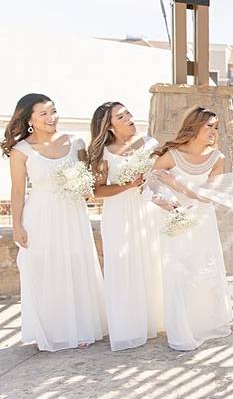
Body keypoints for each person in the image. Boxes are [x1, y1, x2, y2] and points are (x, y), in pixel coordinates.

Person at [3, 93, 106, 351]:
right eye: (44, 114)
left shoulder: (76, 142)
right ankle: (52, 330)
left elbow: (89, 180)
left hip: (72, 213)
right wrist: (17, 225)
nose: (51, 118)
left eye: (53, 111)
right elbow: (17, 192)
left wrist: (85, 187)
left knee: (76, 265)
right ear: (30, 119)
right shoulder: (20, 151)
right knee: (45, 269)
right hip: (39, 215)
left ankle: (82, 327)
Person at [151, 107, 232, 351]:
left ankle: (205, 323)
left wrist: (174, 183)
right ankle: (181, 328)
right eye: (210, 126)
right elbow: (150, 183)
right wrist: (167, 201)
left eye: (216, 127)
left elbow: (207, 197)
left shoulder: (217, 158)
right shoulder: (172, 155)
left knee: (204, 269)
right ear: (195, 127)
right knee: (179, 271)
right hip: (175, 220)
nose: (214, 131)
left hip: (202, 220)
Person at [89, 101, 164, 351]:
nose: (130, 118)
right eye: (122, 116)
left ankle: (154, 320)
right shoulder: (104, 153)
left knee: (150, 262)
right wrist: (128, 185)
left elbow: (163, 174)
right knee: (123, 265)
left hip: (147, 211)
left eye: (129, 113)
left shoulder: (149, 144)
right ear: (110, 127)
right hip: (119, 213)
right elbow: (97, 191)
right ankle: (128, 326)